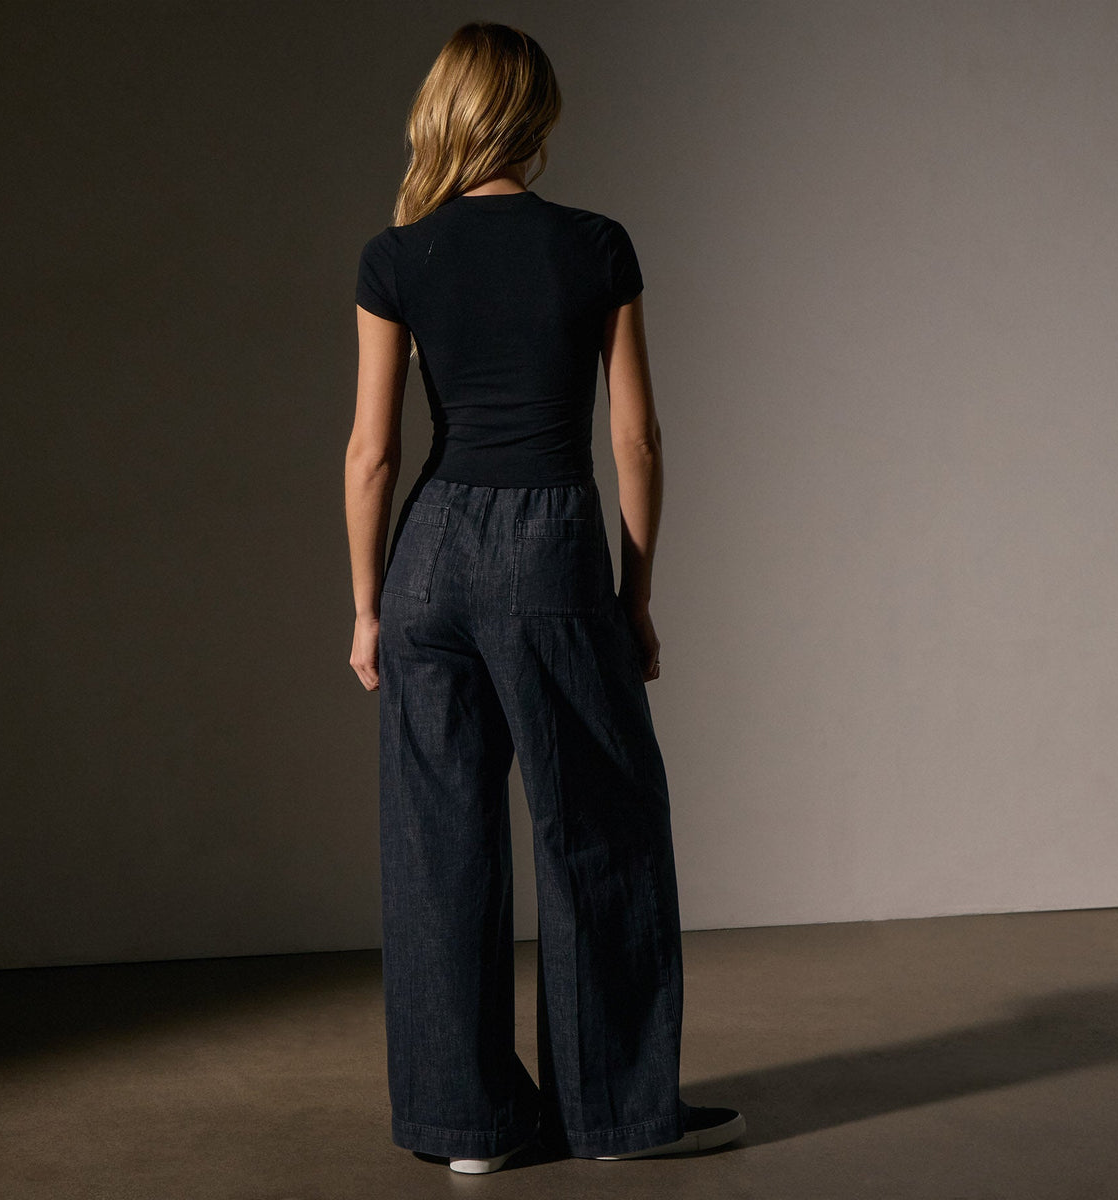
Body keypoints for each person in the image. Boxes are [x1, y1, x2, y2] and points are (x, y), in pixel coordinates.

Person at [345, 21, 744, 1176]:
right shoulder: (595, 246)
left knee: (438, 846)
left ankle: (467, 1131)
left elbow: (373, 454)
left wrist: (368, 606)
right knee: (600, 826)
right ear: (536, 117)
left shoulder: (396, 256)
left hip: (428, 558)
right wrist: (635, 592)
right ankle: (613, 1116)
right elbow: (638, 439)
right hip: (550, 549)